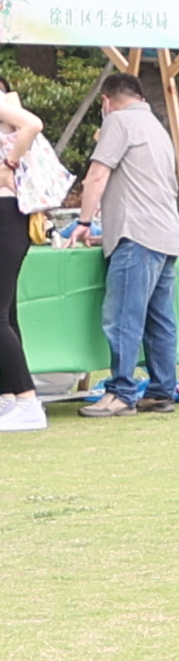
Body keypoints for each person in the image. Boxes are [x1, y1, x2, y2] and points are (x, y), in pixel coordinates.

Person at [76, 73, 179, 419]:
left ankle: (121, 392)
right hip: (166, 234)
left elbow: (97, 175)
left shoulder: (118, 121)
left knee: (122, 317)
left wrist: (83, 222)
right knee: (160, 321)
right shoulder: (157, 126)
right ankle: (161, 391)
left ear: (106, 101)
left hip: (136, 236)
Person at [0, 78, 43, 432]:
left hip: (6, 213)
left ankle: (27, 401)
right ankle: (10, 397)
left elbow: (33, 124)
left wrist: (9, 163)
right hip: (9, 213)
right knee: (7, 313)